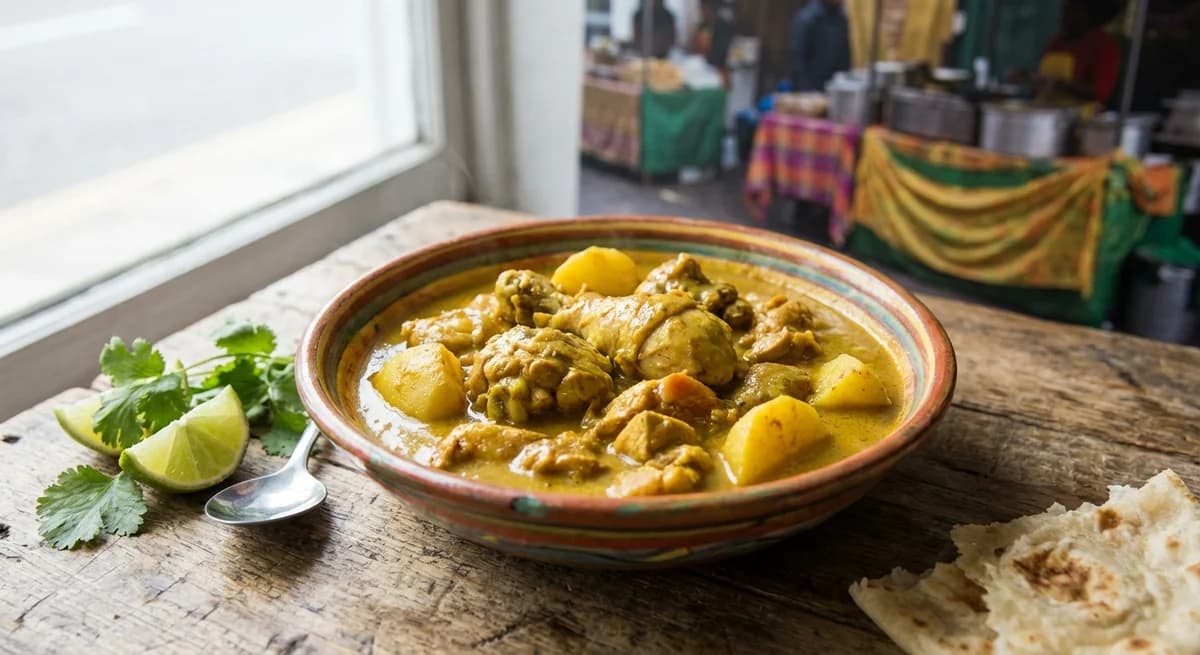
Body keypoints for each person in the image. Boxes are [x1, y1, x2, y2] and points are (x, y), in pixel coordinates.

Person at [1028, 0, 1124, 104]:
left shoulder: (1104, 45)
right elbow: (1041, 81)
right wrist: (1031, 79)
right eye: (1064, 11)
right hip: (1045, 108)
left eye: (1070, 11)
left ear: (1087, 14)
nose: (1063, 16)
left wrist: (1059, 85)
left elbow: (1099, 93)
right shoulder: (1057, 41)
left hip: (1081, 115)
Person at [787, 0, 851, 93]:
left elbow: (844, 59)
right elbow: (797, 62)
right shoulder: (807, 18)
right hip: (807, 94)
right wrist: (808, 92)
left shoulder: (842, 19)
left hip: (833, 91)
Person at [689, 0, 735, 71]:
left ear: (712, 8)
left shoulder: (723, 27)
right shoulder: (702, 26)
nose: (701, 11)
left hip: (717, 69)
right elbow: (693, 48)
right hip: (699, 66)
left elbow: (721, 54)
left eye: (703, 8)